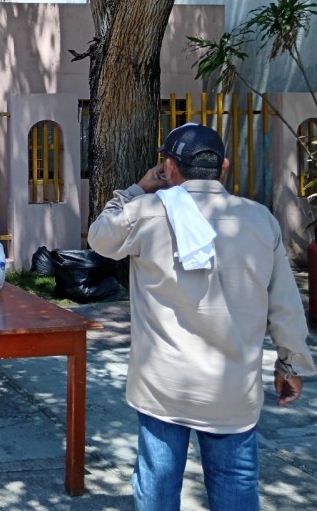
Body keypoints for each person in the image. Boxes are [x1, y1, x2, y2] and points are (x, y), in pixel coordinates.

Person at [87, 123, 315, 510]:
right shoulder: (260, 219)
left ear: (170, 168)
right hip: (231, 388)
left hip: (165, 386)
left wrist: (137, 188)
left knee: (158, 487)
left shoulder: (145, 213)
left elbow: (98, 236)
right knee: (235, 486)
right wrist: (289, 363)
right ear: (223, 167)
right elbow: (285, 303)